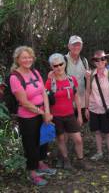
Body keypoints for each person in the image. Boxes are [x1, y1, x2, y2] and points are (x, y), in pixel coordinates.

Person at [9, 46, 56, 186]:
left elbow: (44, 93)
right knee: (31, 144)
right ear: (17, 59)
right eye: (24, 57)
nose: (27, 60)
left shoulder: (35, 72)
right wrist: (43, 113)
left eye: (29, 57)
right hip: (27, 117)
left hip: (42, 113)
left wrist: (47, 112)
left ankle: (40, 164)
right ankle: (33, 173)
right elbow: (24, 102)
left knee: (43, 139)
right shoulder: (14, 77)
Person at [45, 53, 92, 171]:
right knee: (61, 139)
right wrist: (46, 114)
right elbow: (45, 98)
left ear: (65, 64)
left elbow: (76, 97)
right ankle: (66, 161)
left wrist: (80, 115)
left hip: (70, 114)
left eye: (61, 64)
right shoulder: (50, 81)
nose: (59, 67)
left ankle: (81, 161)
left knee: (78, 139)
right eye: (55, 66)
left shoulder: (71, 79)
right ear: (52, 67)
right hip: (56, 116)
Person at [85, 50, 109, 166]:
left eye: (102, 59)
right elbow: (88, 91)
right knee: (97, 132)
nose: (100, 62)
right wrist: (86, 108)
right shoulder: (91, 75)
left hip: (107, 109)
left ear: (106, 61)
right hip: (94, 109)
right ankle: (99, 152)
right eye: (97, 60)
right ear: (94, 62)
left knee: (108, 133)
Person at [64, 35, 90, 122]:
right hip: (67, 102)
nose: (76, 47)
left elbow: (87, 82)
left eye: (78, 45)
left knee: (79, 126)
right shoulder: (63, 60)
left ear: (81, 46)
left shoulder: (84, 60)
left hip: (82, 102)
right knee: (68, 130)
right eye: (74, 45)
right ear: (69, 46)